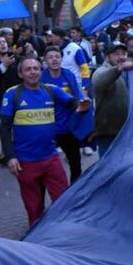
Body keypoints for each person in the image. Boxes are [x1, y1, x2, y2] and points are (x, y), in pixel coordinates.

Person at [0, 55, 90, 225]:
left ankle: (63, 234)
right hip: (25, 162)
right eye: (28, 69)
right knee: (34, 210)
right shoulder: (12, 94)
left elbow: (71, 102)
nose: (33, 72)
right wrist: (10, 156)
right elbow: (4, 128)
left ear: (41, 71)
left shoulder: (51, 90)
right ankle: (37, 242)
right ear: (20, 74)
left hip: (50, 158)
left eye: (36, 69)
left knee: (63, 201)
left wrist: (80, 106)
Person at [41, 45, 88, 182]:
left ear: (62, 59)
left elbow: (78, 95)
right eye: (50, 57)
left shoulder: (69, 75)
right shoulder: (41, 78)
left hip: (68, 125)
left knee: (75, 163)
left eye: (57, 56)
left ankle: (75, 191)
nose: (54, 60)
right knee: (47, 164)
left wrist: (84, 102)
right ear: (45, 61)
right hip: (49, 126)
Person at [91, 42, 131, 157]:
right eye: (116, 54)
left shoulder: (125, 72)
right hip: (107, 133)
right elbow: (100, 80)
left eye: (124, 53)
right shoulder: (102, 70)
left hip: (124, 131)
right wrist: (118, 69)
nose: (121, 57)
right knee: (107, 171)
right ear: (107, 57)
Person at [0, 34, 20, 166]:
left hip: (17, 99)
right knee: (6, 127)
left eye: (4, 42)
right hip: (0, 101)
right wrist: (3, 66)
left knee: (15, 127)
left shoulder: (16, 59)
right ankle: (6, 153)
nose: (3, 44)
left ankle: (6, 152)